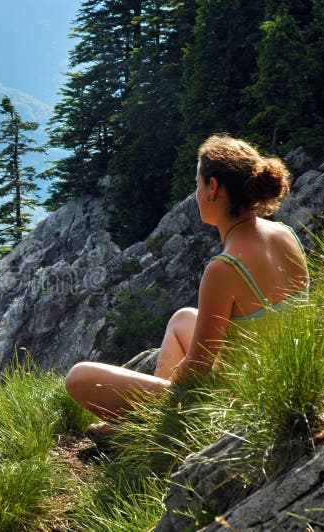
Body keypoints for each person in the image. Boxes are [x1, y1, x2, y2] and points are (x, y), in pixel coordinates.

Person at [65, 134, 309, 419]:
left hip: (241, 400)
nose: (196, 193)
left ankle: (161, 424)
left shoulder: (225, 268)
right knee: (182, 318)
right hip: (277, 377)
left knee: (78, 377)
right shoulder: (284, 233)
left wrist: (166, 388)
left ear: (213, 188)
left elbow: (197, 368)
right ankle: (158, 423)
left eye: (197, 184)